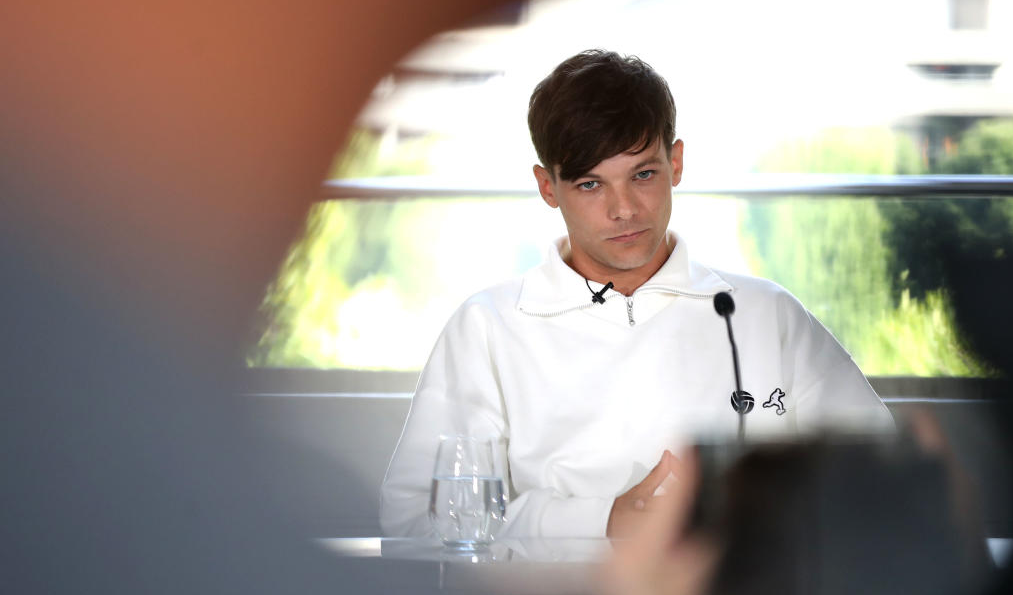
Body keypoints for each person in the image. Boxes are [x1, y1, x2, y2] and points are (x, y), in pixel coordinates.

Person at [380, 49, 892, 540]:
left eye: (643, 174)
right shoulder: (488, 326)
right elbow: (416, 521)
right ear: (547, 188)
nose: (623, 209)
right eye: (589, 184)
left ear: (677, 163)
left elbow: (882, 481)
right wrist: (599, 522)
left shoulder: (766, 315)